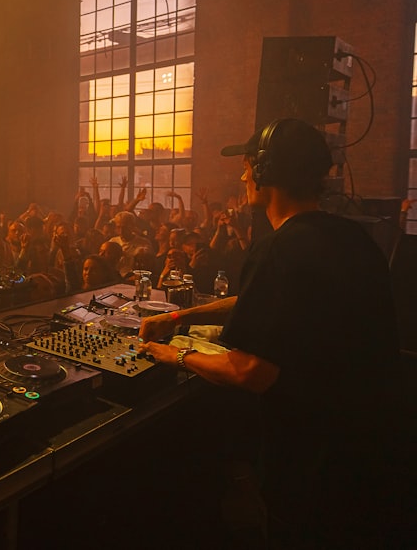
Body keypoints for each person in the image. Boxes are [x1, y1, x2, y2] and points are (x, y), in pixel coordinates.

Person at [139, 118, 402, 545]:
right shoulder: (352, 237)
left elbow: (251, 372)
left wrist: (173, 355)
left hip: (314, 460)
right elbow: (268, 303)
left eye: (247, 166)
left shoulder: (280, 247)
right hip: (375, 447)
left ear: (265, 172)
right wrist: (176, 319)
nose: (242, 176)